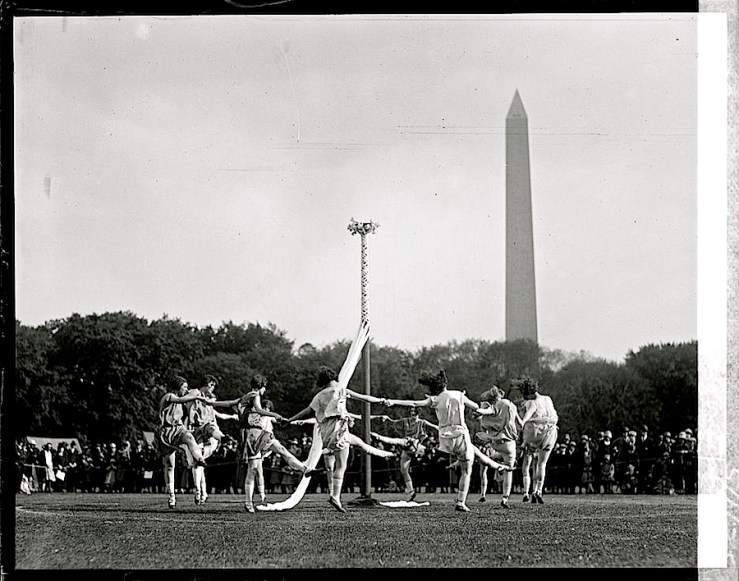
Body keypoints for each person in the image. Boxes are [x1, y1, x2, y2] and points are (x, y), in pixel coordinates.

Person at [383, 369, 513, 513]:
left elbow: (413, 403)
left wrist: (392, 402)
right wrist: (485, 409)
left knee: (473, 450)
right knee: (466, 470)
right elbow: (476, 407)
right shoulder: (458, 394)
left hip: (444, 437)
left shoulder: (435, 399)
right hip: (460, 433)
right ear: (445, 383)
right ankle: (461, 501)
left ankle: (497, 466)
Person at [285, 365, 395, 513]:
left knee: (358, 443)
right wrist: (381, 400)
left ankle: (383, 453)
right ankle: (335, 496)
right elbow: (365, 398)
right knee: (341, 466)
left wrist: (289, 420)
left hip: (326, 434)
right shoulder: (341, 389)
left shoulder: (318, 396)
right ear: (334, 378)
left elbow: (308, 412)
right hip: (338, 431)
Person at [210, 375, 324, 513]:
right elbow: (258, 409)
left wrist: (210, 403)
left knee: (281, 449)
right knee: (253, 470)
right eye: (264, 388)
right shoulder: (255, 395)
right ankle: (248, 502)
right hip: (252, 434)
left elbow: (228, 404)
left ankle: (305, 470)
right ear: (261, 386)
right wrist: (274, 414)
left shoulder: (243, 398)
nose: (264, 391)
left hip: (260, 433)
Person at [155, 375, 210, 509]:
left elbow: (187, 400)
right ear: (176, 388)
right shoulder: (169, 396)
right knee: (170, 464)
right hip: (166, 432)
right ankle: (171, 495)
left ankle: (199, 458)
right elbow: (180, 399)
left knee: (190, 438)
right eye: (184, 387)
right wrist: (197, 396)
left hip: (178, 428)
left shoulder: (183, 399)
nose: (186, 390)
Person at [185, 375, 237, 505]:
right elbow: (189, 407)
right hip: (196, 431)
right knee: (199, 465)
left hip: (206, 431)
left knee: (211, 427)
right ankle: (200, 492)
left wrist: (232, 416)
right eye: (211, 385)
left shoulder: (209, 404)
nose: (213, 388)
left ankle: (223, 438)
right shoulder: (195, 393)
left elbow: (219, 415)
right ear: (206, 384)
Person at [370, 407, 437, 502]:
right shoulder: (405, 421)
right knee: (404, 470)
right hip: (407, 448)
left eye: (414, 411)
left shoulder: (422, 422)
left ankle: (379, 437)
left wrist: (441, 429)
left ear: (418, 413)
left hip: (415, 446)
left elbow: (433, 427)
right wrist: (387, 418)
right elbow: (393, 422)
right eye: (411, 411)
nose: (412, 413)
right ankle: (411, 492)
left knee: (400, 441)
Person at [474, 385, 522, 508]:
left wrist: (476, 409)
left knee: (486, 463)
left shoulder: (493, 407)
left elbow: (485, 412)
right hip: (509, 443)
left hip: (494, 442)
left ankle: (493, 464)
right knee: (509, 470)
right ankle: (505, 498)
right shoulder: (511, 405)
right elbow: (520, 423)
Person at [517, 377, 559, 504]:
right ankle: (538, 490)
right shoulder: (548, 399)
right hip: (551, 432)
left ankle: (528, 491)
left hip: (536, 433)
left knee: (528, 464)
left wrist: (522, 421)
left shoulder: (533, 402)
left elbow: (528, 414)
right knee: (541, 464)